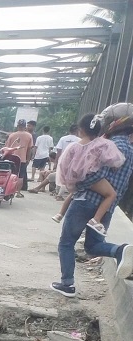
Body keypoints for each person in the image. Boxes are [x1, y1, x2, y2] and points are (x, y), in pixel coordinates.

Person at [51, 103, 133, 298]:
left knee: (66, 242)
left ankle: (67, 284)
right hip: (108, 206)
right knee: (92, 246)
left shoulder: (109, 145)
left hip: (86, 199)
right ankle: (120, 250)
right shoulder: (129, 148)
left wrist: (75, 183)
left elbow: (92, 173)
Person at [50, 113, 126, 235]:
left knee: (74, 193)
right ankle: (96, 220)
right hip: (92, 177)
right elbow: (115, 160)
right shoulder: (101, 143)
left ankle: (60, 214)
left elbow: (63, 163)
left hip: (75, 178)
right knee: (111, 194)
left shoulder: (73, 146)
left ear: (80, 130)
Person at [5, 119, 34, 195]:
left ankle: (8, 190)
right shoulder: (29, 136)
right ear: (25, 127)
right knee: (20, 176)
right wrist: (28, 159)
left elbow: (7, 148)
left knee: (10, 174)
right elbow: (29, 149)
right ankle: (18, 192)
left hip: (11, 158)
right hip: (22, 159)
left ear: (17, 126)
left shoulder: (12, 135)